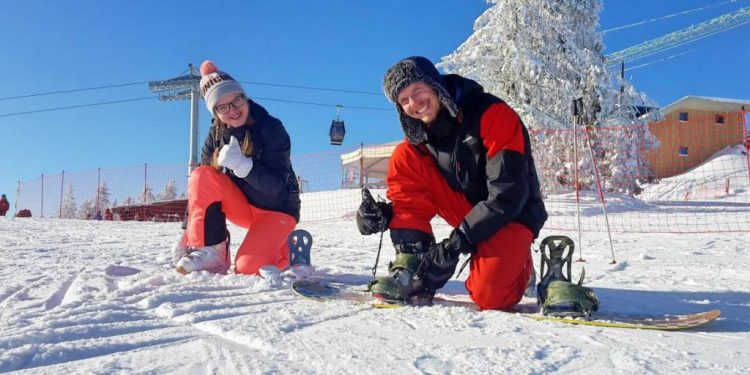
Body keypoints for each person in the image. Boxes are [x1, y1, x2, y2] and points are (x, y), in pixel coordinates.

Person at [356, 56, 548, 310]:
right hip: (468, 212)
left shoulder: (492, 113)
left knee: (490, 297)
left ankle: (521, 267)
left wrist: (456, 245)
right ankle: (412, 262)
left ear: (435, 84)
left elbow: (508, 194)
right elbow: (413, 198)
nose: (414, 104)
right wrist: (384, 214)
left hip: (512, 214)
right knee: (405, 153)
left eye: (417, 90)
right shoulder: (422, 140)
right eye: (404, 100)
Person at [173, 60, 301, 275]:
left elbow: (278, 187)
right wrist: (187, 231)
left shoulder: (271, 128)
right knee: (201, 174)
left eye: (237, 101)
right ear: (215, 112)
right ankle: (213, 253)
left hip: (277, 210)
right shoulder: (215, 134)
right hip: (243, 207)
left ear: (245, 97)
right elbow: (200, 188)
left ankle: (287, 251)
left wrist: (244, 166)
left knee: (247, 268)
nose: (233, 110)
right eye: (223, 107)